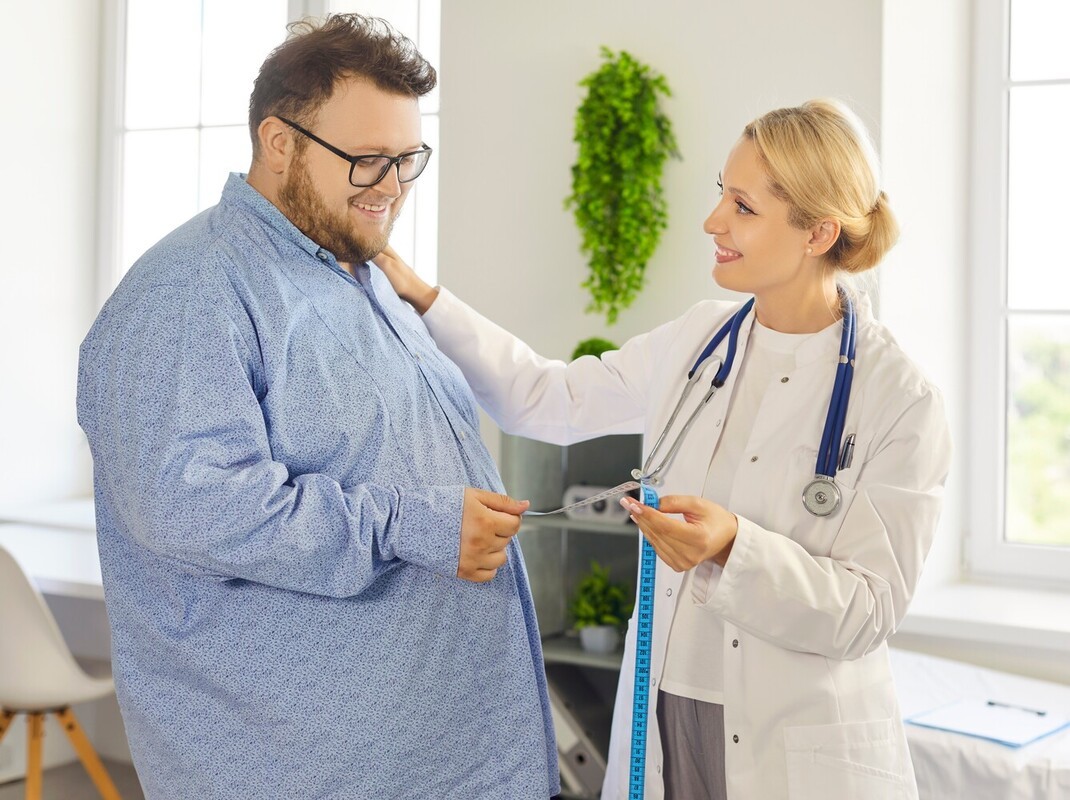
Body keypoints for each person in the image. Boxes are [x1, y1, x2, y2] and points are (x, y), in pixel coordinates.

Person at [374, 99, 952, 799]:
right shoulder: (697, 340)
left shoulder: (901, 399)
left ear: (817, 231)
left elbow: (868, 610)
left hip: (792, 739)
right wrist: (422, 297)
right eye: (721, 193)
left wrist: (734, 545)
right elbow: (547, 397)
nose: (713, 221)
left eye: (742, 206)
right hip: (665, 709)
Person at [77, 14, 559, 800]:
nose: (394, 187)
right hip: (306, 772)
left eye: (408, 160)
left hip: (439, 756)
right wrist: (416, 524)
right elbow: (192, 507)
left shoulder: (360, 273)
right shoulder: (190, 292)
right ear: (279, 141)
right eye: (369, 161)